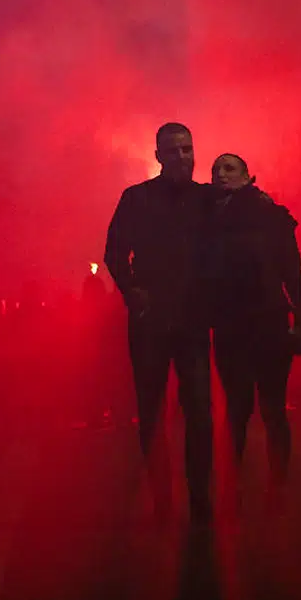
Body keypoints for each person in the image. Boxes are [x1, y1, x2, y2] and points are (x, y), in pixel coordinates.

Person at [103, 122, 216, 523]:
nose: (182, 157)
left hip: (191, 321)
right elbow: (115, 252)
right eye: (173, 151)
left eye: (186, 149)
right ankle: (164, 500)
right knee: (152, 414)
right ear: (158, 156)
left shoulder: (207, 198)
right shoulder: (137, 198)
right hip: (151, 323)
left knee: (199, 415)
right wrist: (133, 292)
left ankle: (198, 500)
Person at [205, 153, 301, 515]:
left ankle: (275, 486)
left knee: (271, 408)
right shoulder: (210, 217)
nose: (221, 174)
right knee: (238, 410)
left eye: (229, 168)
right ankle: (234, 487)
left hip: (266, 323)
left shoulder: (270, 216)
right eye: (216, 169)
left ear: (247, 176)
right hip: (232, 325)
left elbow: (292, 272)